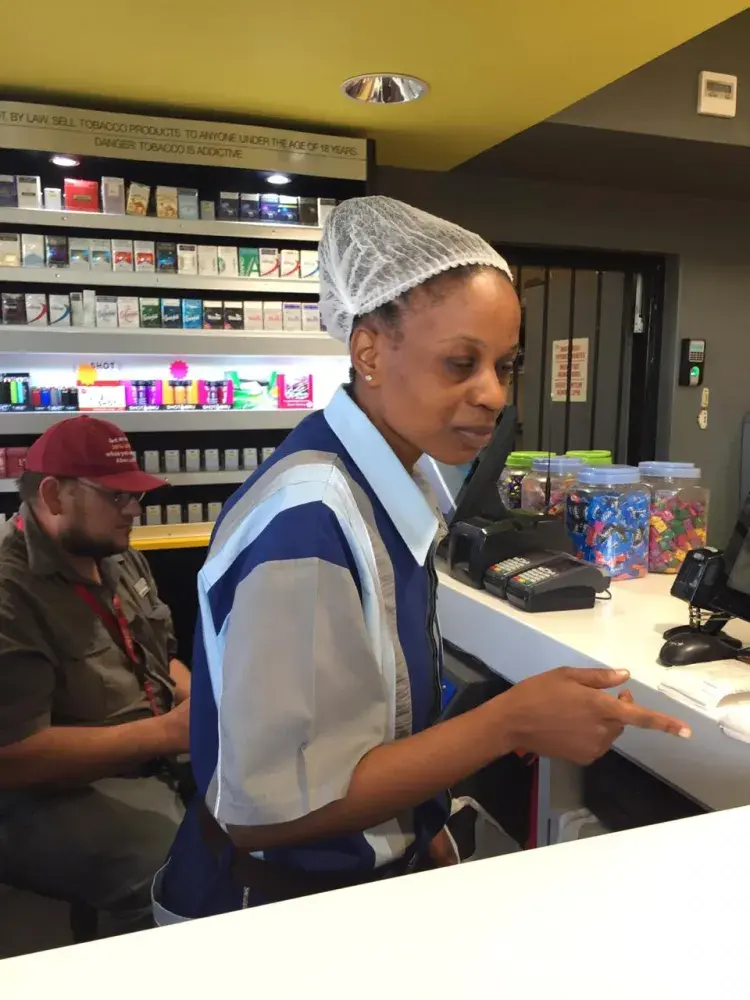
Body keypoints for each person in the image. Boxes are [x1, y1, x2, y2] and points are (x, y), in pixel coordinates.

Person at [155, 197, 689, 922]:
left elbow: (368, 725)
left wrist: (421, 822)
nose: (493, 394)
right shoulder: (309, 524)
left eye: (505, 365)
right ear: (369, 352)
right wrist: (507, 724)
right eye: (460, 363)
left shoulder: (387, 485)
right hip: (271, 913)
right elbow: (265, 813)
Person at [0, 416, 191, 937]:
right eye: (116, 496)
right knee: (169, 869)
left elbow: (160, 661)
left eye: (136, 495)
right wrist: (166, 733)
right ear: (53, 495)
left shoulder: (117, 557)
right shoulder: (10, 594)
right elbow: (13, 756)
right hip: (40, 795)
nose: (134, 511)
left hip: (146, 755)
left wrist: (210, 702)